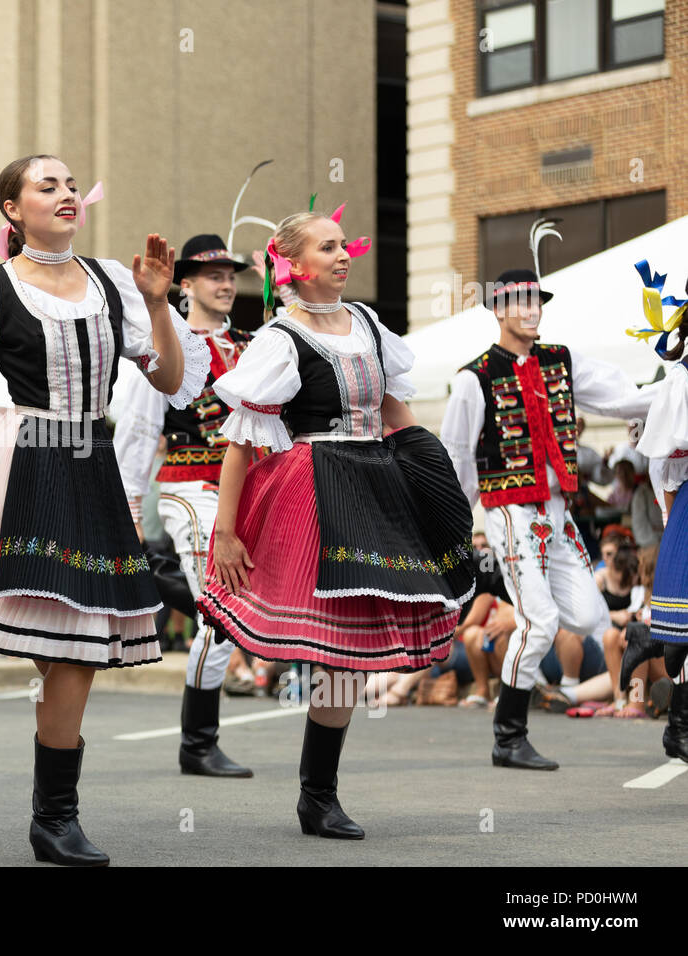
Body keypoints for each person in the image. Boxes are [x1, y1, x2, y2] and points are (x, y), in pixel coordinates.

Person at [0, 155, 206, 866]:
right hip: (21, 455)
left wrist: (156, 302)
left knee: (72, 639)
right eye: (45, 185)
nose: (64, 194)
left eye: (68, 184)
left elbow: (174, 383)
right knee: (62, 640)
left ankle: (53, 816)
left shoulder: (116, 283)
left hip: (90, 460)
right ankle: (55, 817)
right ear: (11, 209)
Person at [198, 206, 474, 840]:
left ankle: (319, 794)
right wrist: (227, 529)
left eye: (343, 243)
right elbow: (241, 439)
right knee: (333, 646)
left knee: (346, 656)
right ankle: (316, 796)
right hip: (313, 486)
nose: (344, 253)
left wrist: (431, 483)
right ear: (293, 266)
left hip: (376, 479)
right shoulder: (279, 337)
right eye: (328, 247)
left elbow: (395, 412)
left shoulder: (370, 324)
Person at [441, 265, 657, 770]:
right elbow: (457, 459)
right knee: (540, 622)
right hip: (510, 512)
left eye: (538, 301)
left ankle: (525, 705)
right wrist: (450, 525)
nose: (532, 311)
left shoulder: (562, 360)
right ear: (497, 311)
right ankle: (508, 734)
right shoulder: (474, 379)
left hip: (558, 516)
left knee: (587, 616)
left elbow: (619, 392)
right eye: (520, 302)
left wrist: (671, 391)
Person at [113, 233, 257, 778]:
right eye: (212, 275)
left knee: (234, 606)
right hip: (189, 485)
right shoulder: (165, 340)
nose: (224, 284)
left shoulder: (254, 342)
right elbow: (138, 430)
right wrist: (128, 512)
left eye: (230, 275)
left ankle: (158, 581)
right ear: (187, 283)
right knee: (222, 611)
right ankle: (198, 743)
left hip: (247, 488)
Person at [618, 275, 688, 757]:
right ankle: (679, 727)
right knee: (685, 624)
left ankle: (649, 635)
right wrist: (669, 517)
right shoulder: (681, 378)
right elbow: (664, 459)